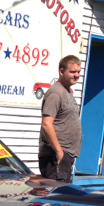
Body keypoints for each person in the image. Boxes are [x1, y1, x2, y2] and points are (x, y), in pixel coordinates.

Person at [38, 55, 82, 184]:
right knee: (56, 197)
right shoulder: (56, 93)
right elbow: (46, 124)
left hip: (65, 154)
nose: (76, 75)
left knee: (63, 198)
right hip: (55, 156)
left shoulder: (67, 91)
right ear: (61, 71)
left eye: (78, 72)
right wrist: (58, 151)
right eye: (72, 72)